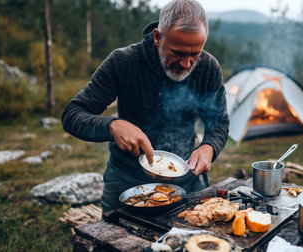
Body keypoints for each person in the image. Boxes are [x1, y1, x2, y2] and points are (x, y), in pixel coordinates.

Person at [61, 0, 229, 214]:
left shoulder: (208, 67)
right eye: (177, 52)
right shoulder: (123, 62)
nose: (186, 64)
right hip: (128, 182)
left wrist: (209, 148)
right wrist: (113, 126)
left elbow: (219, 122)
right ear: (158, 37)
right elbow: (72, 114)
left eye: (194, 54)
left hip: (187, 180)